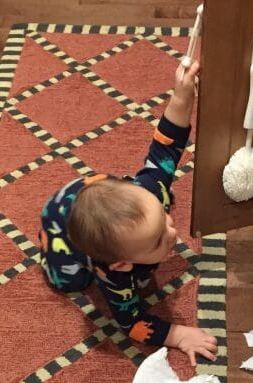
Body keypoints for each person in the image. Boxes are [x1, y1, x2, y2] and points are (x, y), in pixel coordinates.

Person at [39, 60, 217, 366]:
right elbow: (132, 324)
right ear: (121, 264)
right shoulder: (114, 276)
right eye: (160, 240)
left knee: (153, 186)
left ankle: (136, 219)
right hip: (57, 223)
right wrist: (179, 334)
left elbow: (167, 143)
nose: (174, 233)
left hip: (93, 190)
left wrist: (182, 95)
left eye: (165, 222)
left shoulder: (150, 189)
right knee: (69, 281)